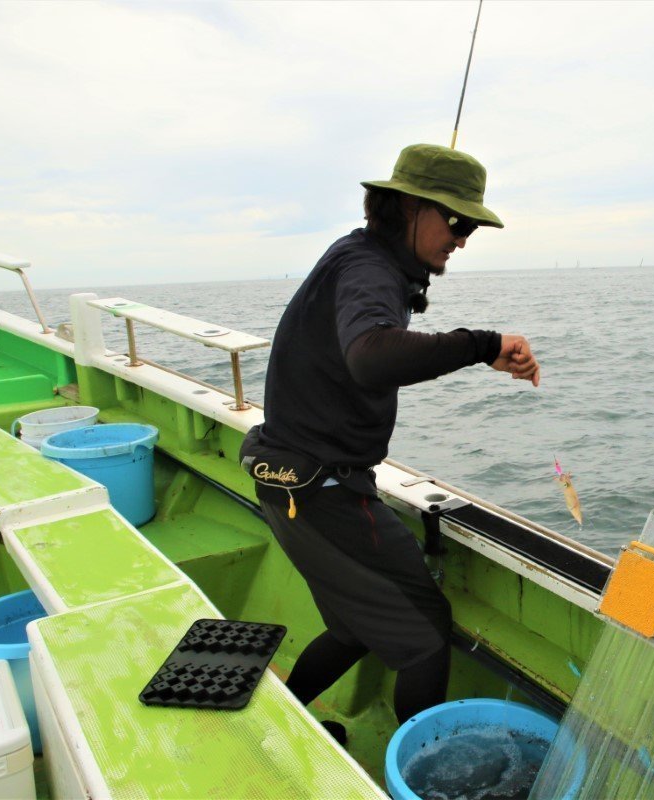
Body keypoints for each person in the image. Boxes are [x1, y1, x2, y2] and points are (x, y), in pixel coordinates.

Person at [242, 143, 541, 741]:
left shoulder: (363, 258)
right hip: (319, 488)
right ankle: (418, 772)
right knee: (426, 636)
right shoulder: (369, 269)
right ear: (407, 206)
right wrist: (484, 344)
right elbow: (371, 355)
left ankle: (278, 722)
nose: (463, 238)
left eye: (472, 226)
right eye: (456, 221)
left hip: (283, 477)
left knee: (357, 626)